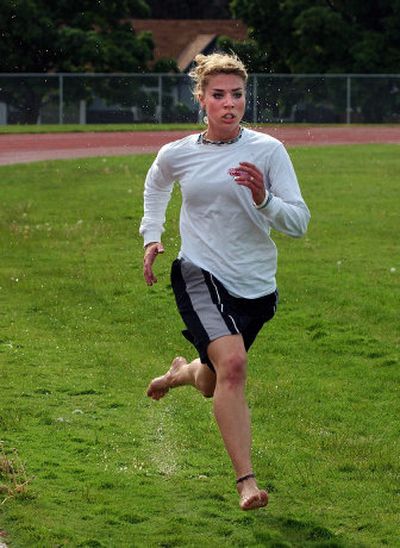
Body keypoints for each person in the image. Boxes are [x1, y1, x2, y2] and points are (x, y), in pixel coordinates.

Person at [139, 52, 310, 511]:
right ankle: (246, 483)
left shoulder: (268, 151)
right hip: (198, 272)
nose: (229, 103)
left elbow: (298, 223)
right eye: (219, 95)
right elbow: (156, 184)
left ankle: (182, 373)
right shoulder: (177, 154)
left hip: (255, 285)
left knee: (214, 380)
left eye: (237, 94)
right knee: (233, 366)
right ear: (202, 99)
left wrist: (263, 197)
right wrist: (151, 236)